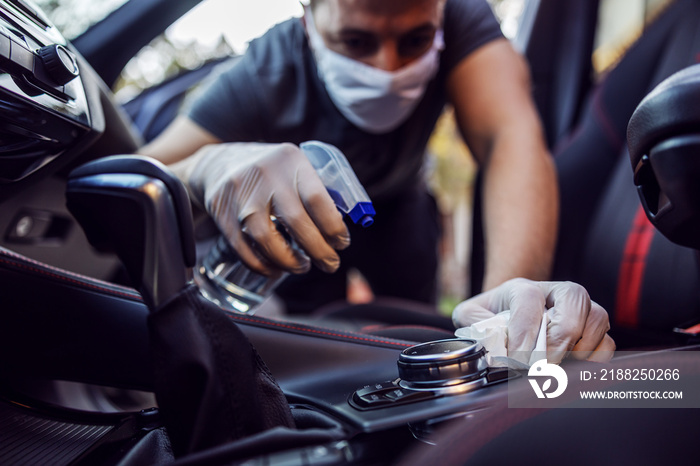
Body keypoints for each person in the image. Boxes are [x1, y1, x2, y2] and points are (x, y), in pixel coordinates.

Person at [140, 0, 614, 360]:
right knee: (310, 338)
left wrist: (513, 303)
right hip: (301, 219)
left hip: (400, 205)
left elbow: (509, 139)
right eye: (356, 42)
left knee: (417, 338)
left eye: (414, 41)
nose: (388, 69)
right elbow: (138, 177)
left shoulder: (461, 19)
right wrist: (203, 167)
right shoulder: (263, 74)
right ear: (309, 20)